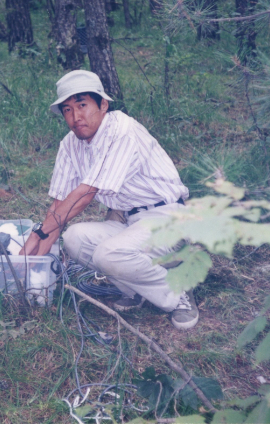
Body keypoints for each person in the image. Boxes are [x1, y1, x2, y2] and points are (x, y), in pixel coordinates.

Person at [20, 70, 198, 330]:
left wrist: (38, 235)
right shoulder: (70, 144)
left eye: (82, 105)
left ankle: (178, 291)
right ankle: (136, 289)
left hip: (167, 218)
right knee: (73, 239)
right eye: (67, 110)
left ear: (103, 105)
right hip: (127, 219)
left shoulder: (122, 129)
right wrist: (29, 265)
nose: (75, 117)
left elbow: (85, 193)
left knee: (108, 253)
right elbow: (59, 204)